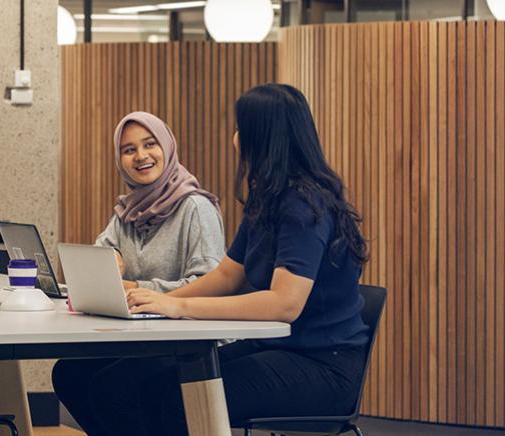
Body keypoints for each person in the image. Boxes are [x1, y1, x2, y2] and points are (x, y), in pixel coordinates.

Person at [73, 84, 370, 435]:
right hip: (274, 348)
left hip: (321, 366)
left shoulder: (303, 206)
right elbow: (227, 275)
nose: (235, 136)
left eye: (241, 128)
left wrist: (179, 307)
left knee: (174, 396)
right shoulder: (268, 198)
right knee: (124, 385)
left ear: (262, 137)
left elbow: (284, 304)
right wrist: (165, 300)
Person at [51, 111, 225, 433]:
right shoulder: (127, 213)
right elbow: (97, 262)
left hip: (190, 343)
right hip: (143, 339)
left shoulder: (195, 208)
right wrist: (109, 257)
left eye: (149, 144)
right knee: (68, 374)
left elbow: (208, 284)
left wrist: (136, 286)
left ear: (167, 147)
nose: (141, 156)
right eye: (128, 149)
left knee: (112, 388)